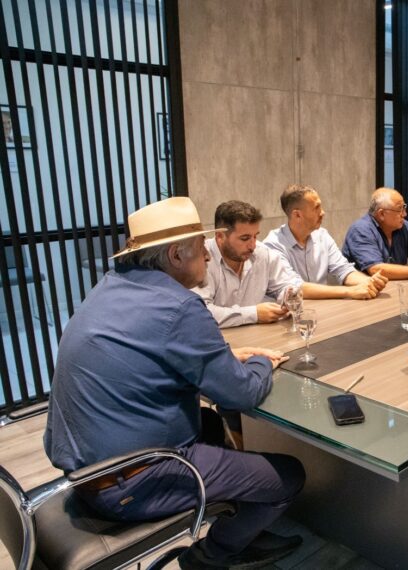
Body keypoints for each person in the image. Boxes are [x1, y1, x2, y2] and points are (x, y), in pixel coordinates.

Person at [43, 197, 306, 570]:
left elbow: (148, 359)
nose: (210, 257)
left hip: (87, 469)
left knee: (211, 423)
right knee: (289, 474)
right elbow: (242, 394)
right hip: (131, 481)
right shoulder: (179, 307)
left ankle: (231, 518)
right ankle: (211, 556)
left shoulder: (111, 287)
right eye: (202, 249)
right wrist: (264, 360)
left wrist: (226, 358)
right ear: (175, 256)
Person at [263, 184, 388, 299]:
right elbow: (296, 288)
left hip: (324, 310)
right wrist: (349, 291)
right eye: (316, 208)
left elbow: (343, 270)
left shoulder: (322, 235)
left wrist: (368, 282)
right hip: (290, 316)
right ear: (297, 215)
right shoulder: (273, 245)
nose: (322, 212)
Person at [193, 200, 302, 328]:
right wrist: (254, 314)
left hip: (256, 337)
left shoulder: (263, 254)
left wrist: (288, 296)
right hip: (214, 342)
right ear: (220, 237)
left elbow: (285, 285)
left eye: (255, 236)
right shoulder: (200, 260)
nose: (252, 245)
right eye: (245, 238)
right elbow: (200, 313)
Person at [341, 187, 408, 279]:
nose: (405, 214)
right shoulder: (361, 230)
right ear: (381, 214)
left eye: (404, 208)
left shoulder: (404, 226)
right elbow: (376, 269)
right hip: (364, 297)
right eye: (400, 210)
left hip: (397, 289)